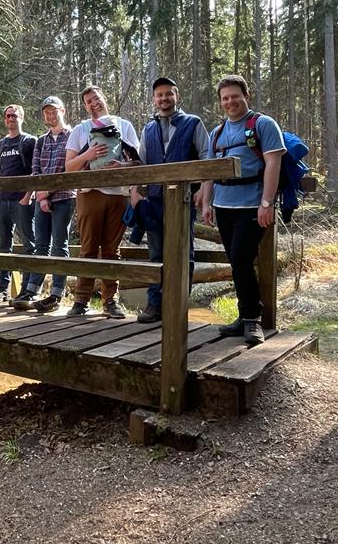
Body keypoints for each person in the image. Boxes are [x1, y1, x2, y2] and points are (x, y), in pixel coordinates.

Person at [200, 74, 285, 346]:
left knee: (240, 259)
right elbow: (210, 172)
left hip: (251, 205)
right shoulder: (217, 133)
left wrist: (267, 203)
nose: (230, 102)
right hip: (224, 206)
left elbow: (273, 163)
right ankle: (243, 316)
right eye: (225, 98)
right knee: (237, 262)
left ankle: (252, 319)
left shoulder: (263, 124)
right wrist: (206, 203)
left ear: (246, 96)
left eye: (235, 96)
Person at [133, 77, 210, 323]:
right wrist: (135, 192)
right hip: (155, 200)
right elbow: (142, 164)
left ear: (177, 96)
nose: (164, 98)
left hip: (184, 200)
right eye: (160, 95)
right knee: (156, 253)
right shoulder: (148, 128)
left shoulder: (193, 123)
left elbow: (207, 158)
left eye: (169, 94)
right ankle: (155, 304)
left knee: (183, 252)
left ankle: (178, 304)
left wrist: (202, 189)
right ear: (154, 99)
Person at [64, 85, 141, 319]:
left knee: (111, 250)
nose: (93, 103)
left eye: (96, 98)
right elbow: (69, 168)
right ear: (85, 106)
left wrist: (123, 166)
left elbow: (138, 162)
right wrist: (88, 155)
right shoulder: (80, 130)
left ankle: (110, 301)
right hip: (90, 193)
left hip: (118, 194)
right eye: (88, 101)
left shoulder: (124, 126)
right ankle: (81, 300)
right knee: (88, 248)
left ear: (104, 98)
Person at [20, 96, 75, 313]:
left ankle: (56, 294)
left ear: (63, 111)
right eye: (46, 112)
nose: (50, 115)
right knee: (40, 245)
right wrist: (41, 197)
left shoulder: (72, 136)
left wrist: (47, 192)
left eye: (54, 111)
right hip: (42, 198)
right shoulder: (41, 141)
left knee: (59, 245)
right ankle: (32, 290)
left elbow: (70, 169)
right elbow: (36, 170)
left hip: (64, 197)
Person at [0, 105, 38, 307]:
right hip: (3, 200)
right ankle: (2, 289)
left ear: (22, 117)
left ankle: (26, 290)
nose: (11, 118)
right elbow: (1, 172)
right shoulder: (1, 143)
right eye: (8, 116)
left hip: (22, 200)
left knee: (29, 245)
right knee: (4, 246)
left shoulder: (29, 141)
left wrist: (28, 195)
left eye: (14, 115)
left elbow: (35, 171)